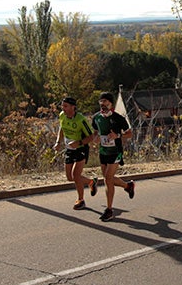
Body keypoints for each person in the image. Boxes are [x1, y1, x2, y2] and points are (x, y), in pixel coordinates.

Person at [90, 92, 134, 222]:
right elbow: (95, 132)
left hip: (116, 151)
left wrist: (118, 136)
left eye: (105, 102)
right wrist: (95, 138)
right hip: (103, 151)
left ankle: (109, 210)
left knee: (108, 178)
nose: (103, 104)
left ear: (111, 104)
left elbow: (129, 134)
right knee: (107, 178)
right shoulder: (96, 117)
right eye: (101, 102)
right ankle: (128, 186)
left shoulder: (118, 118)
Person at [55, 97, 96, 211]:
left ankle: (81, 200)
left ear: (73, 107)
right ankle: (91, 182)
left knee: (76, 175)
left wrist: (79, 143)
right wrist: (58, 142)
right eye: (62, 106)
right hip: (69, 149)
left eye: (66, 106)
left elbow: (91, 137)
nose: (63, 108)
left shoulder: (80, 119)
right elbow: (62, 129)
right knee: (69, 177)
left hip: (81, 149)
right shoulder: (62, 115)